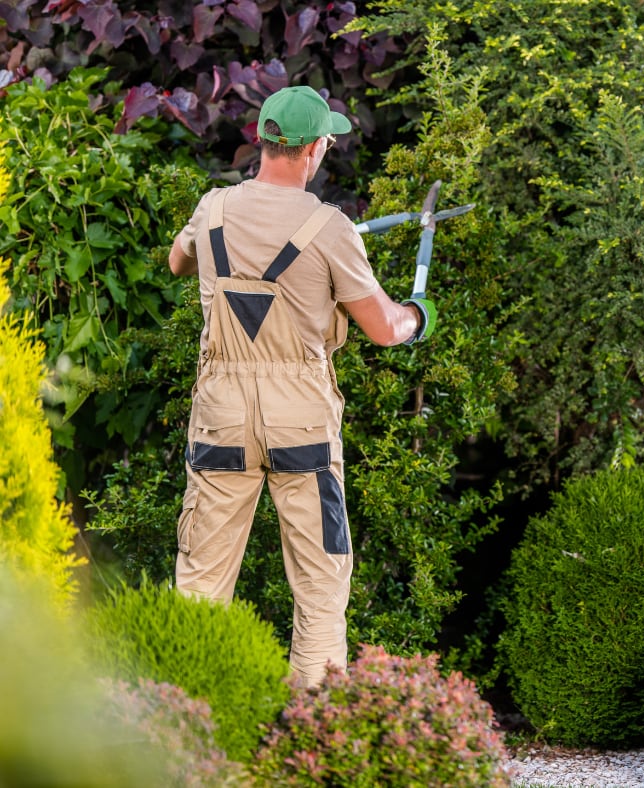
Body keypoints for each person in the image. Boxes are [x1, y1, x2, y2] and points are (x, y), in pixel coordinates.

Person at [168, 85, 436, 687]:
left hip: (221, 414)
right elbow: (386, 329)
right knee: (320, 583)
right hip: (301, 422)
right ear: (314, 149)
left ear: (262, 141)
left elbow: (178, 263)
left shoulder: (211, 209)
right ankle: (313, 735)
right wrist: (421, 315)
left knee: (201, 582)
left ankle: (182, 736)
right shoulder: (331, 228)